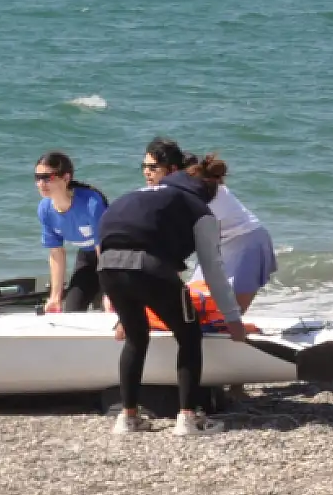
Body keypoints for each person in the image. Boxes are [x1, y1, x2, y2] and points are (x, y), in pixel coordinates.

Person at [97, 138, 249, 437]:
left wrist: (118, 309)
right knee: (189, 336)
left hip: (106, 268)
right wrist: (233, 319)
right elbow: (213, 270)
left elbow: (107, 243)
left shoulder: (138, 194)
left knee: (136, 337)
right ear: (208, 191)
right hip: (149, 268)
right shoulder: (199, 210)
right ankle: (188, 420)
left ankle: (127, 419)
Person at [184, 153, 277, 313]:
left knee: (230, 312)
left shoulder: (208, 192)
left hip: (249, 240)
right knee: (195, 302)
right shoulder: (195, 189)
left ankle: (234, 332)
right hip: (221, 243)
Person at [33, 151, 108, 312]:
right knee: (71, 309)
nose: (41, 183)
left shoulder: (91, 203)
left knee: (109, 307)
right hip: (87, 258)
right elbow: (56, 254)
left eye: (47, 177)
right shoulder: (45, 210)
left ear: (66, 178)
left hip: (112, 256)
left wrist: (110, 293)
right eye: (37, 178)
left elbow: (104, 250)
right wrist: (55, 297)